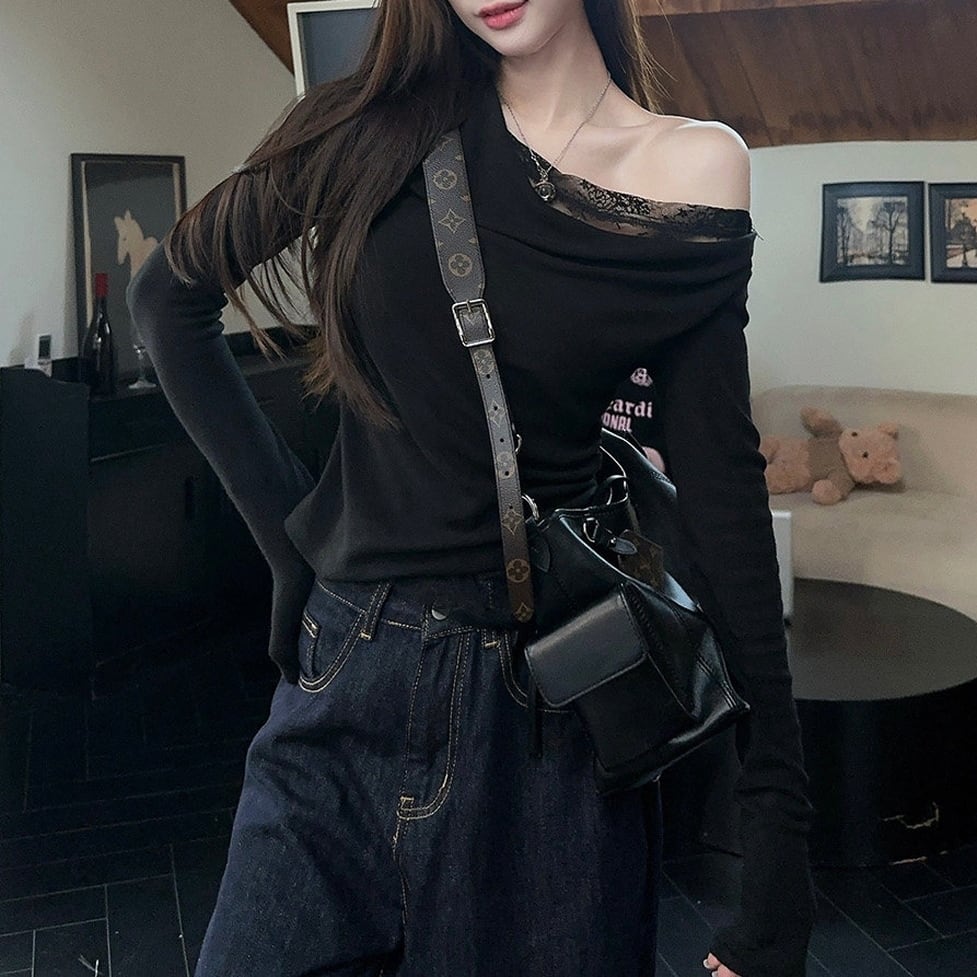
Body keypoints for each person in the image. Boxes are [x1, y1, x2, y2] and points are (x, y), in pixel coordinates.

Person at [127, 2, 815, 975]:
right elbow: (167, 298)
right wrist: (288, 542)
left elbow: (720, 497)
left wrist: (778, 853)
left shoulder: (688, 168)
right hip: (346, 678)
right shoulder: (370, 128)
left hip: (548, 710)